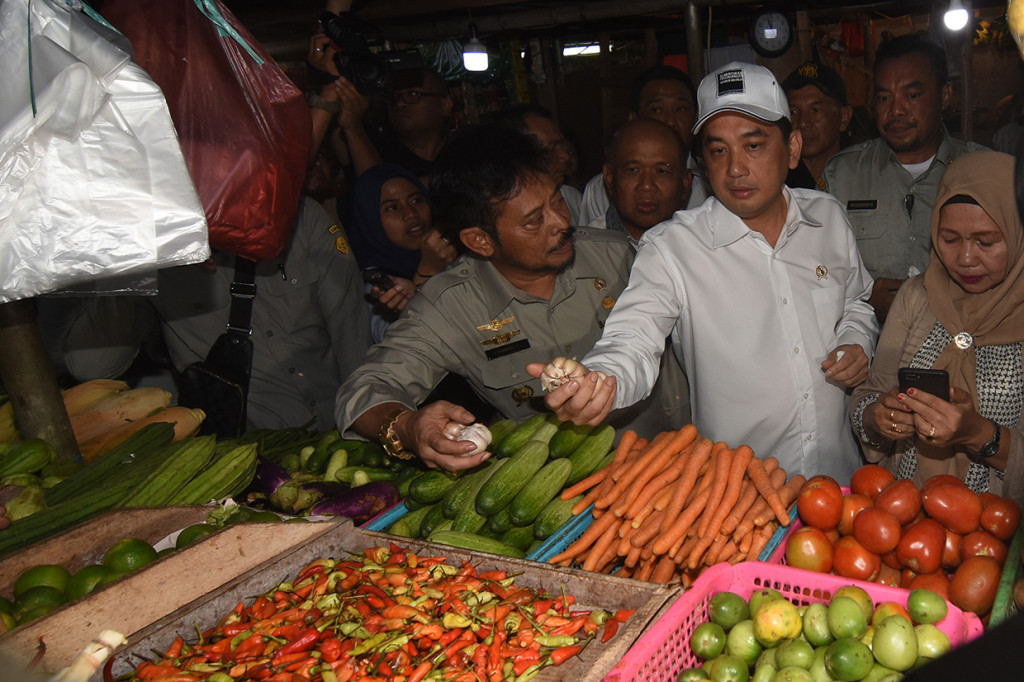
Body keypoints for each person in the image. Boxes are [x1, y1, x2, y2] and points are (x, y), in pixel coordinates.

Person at [530, 62, 879, 481]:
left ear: (792, 148)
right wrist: (601, 381)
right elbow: (633, 340)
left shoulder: (829, 218)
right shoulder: (672, 248)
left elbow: (856, 301)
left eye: (753, 146)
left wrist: (856, 341)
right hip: (740, 497)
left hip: (839, 477)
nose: (734, 168)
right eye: (718, 150)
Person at [334, 126, 689, 471]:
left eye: (557, 200)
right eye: (534, 221)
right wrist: (407, 428)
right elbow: (363, 390)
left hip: (680, 463)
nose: (561, 222)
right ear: (479, 241)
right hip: (563, 494)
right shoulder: (451, 307)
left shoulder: (620, 257)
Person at [56, 197, 373, 432]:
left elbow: (353, 334)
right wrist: (131, 259)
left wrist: (362, 428)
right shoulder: (151, 255)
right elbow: (91, 366)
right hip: (244, 447)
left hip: (339, 428)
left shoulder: (301, 217)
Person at [849, 151, 1023, 504]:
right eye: (949, 238)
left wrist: (980, 434)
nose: (966, 258)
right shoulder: (919, 296)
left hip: (996, 528)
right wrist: (876, 419)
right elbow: (868, 394)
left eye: (986, 241)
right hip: (905, 515)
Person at [824, 34, 987, 322]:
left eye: (912, 95)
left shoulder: (984, 172)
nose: (896, 110)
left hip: (962, 349)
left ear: (945, 96)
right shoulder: (841, 176)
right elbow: (816, 271)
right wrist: (863, 297)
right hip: (868, 353)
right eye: (885, 97)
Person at [580, 65, 709, 225]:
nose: (670, 121)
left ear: (696, 118)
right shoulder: (601, 189)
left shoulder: (712, 183)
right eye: (656, 109)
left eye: (680, 109)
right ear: (634, 119)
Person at [347, 163, 456, 342]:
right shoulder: (375, 283)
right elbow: (400, 346)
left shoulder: (455, 251)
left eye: (416, 200)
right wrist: (426, 273)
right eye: (392, 207)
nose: (411, 214)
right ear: (371, 220)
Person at [593, 118, 693, 245]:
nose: (646, 185)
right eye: (633, 170)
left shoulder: (703, 248)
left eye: (662, 171)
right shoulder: (586, 253)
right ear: (609, 178)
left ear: (685, 183)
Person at [495, 105, 584, 224]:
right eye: (549, 149)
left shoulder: (571, 197)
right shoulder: (501, 212)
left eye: (560, 144)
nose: (565, 156)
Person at [782, 61, 853, 191]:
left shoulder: (863, 175)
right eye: (793, 112)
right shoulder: (779, 184)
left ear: (844, 117)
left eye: (815, 110)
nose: (803, 122)